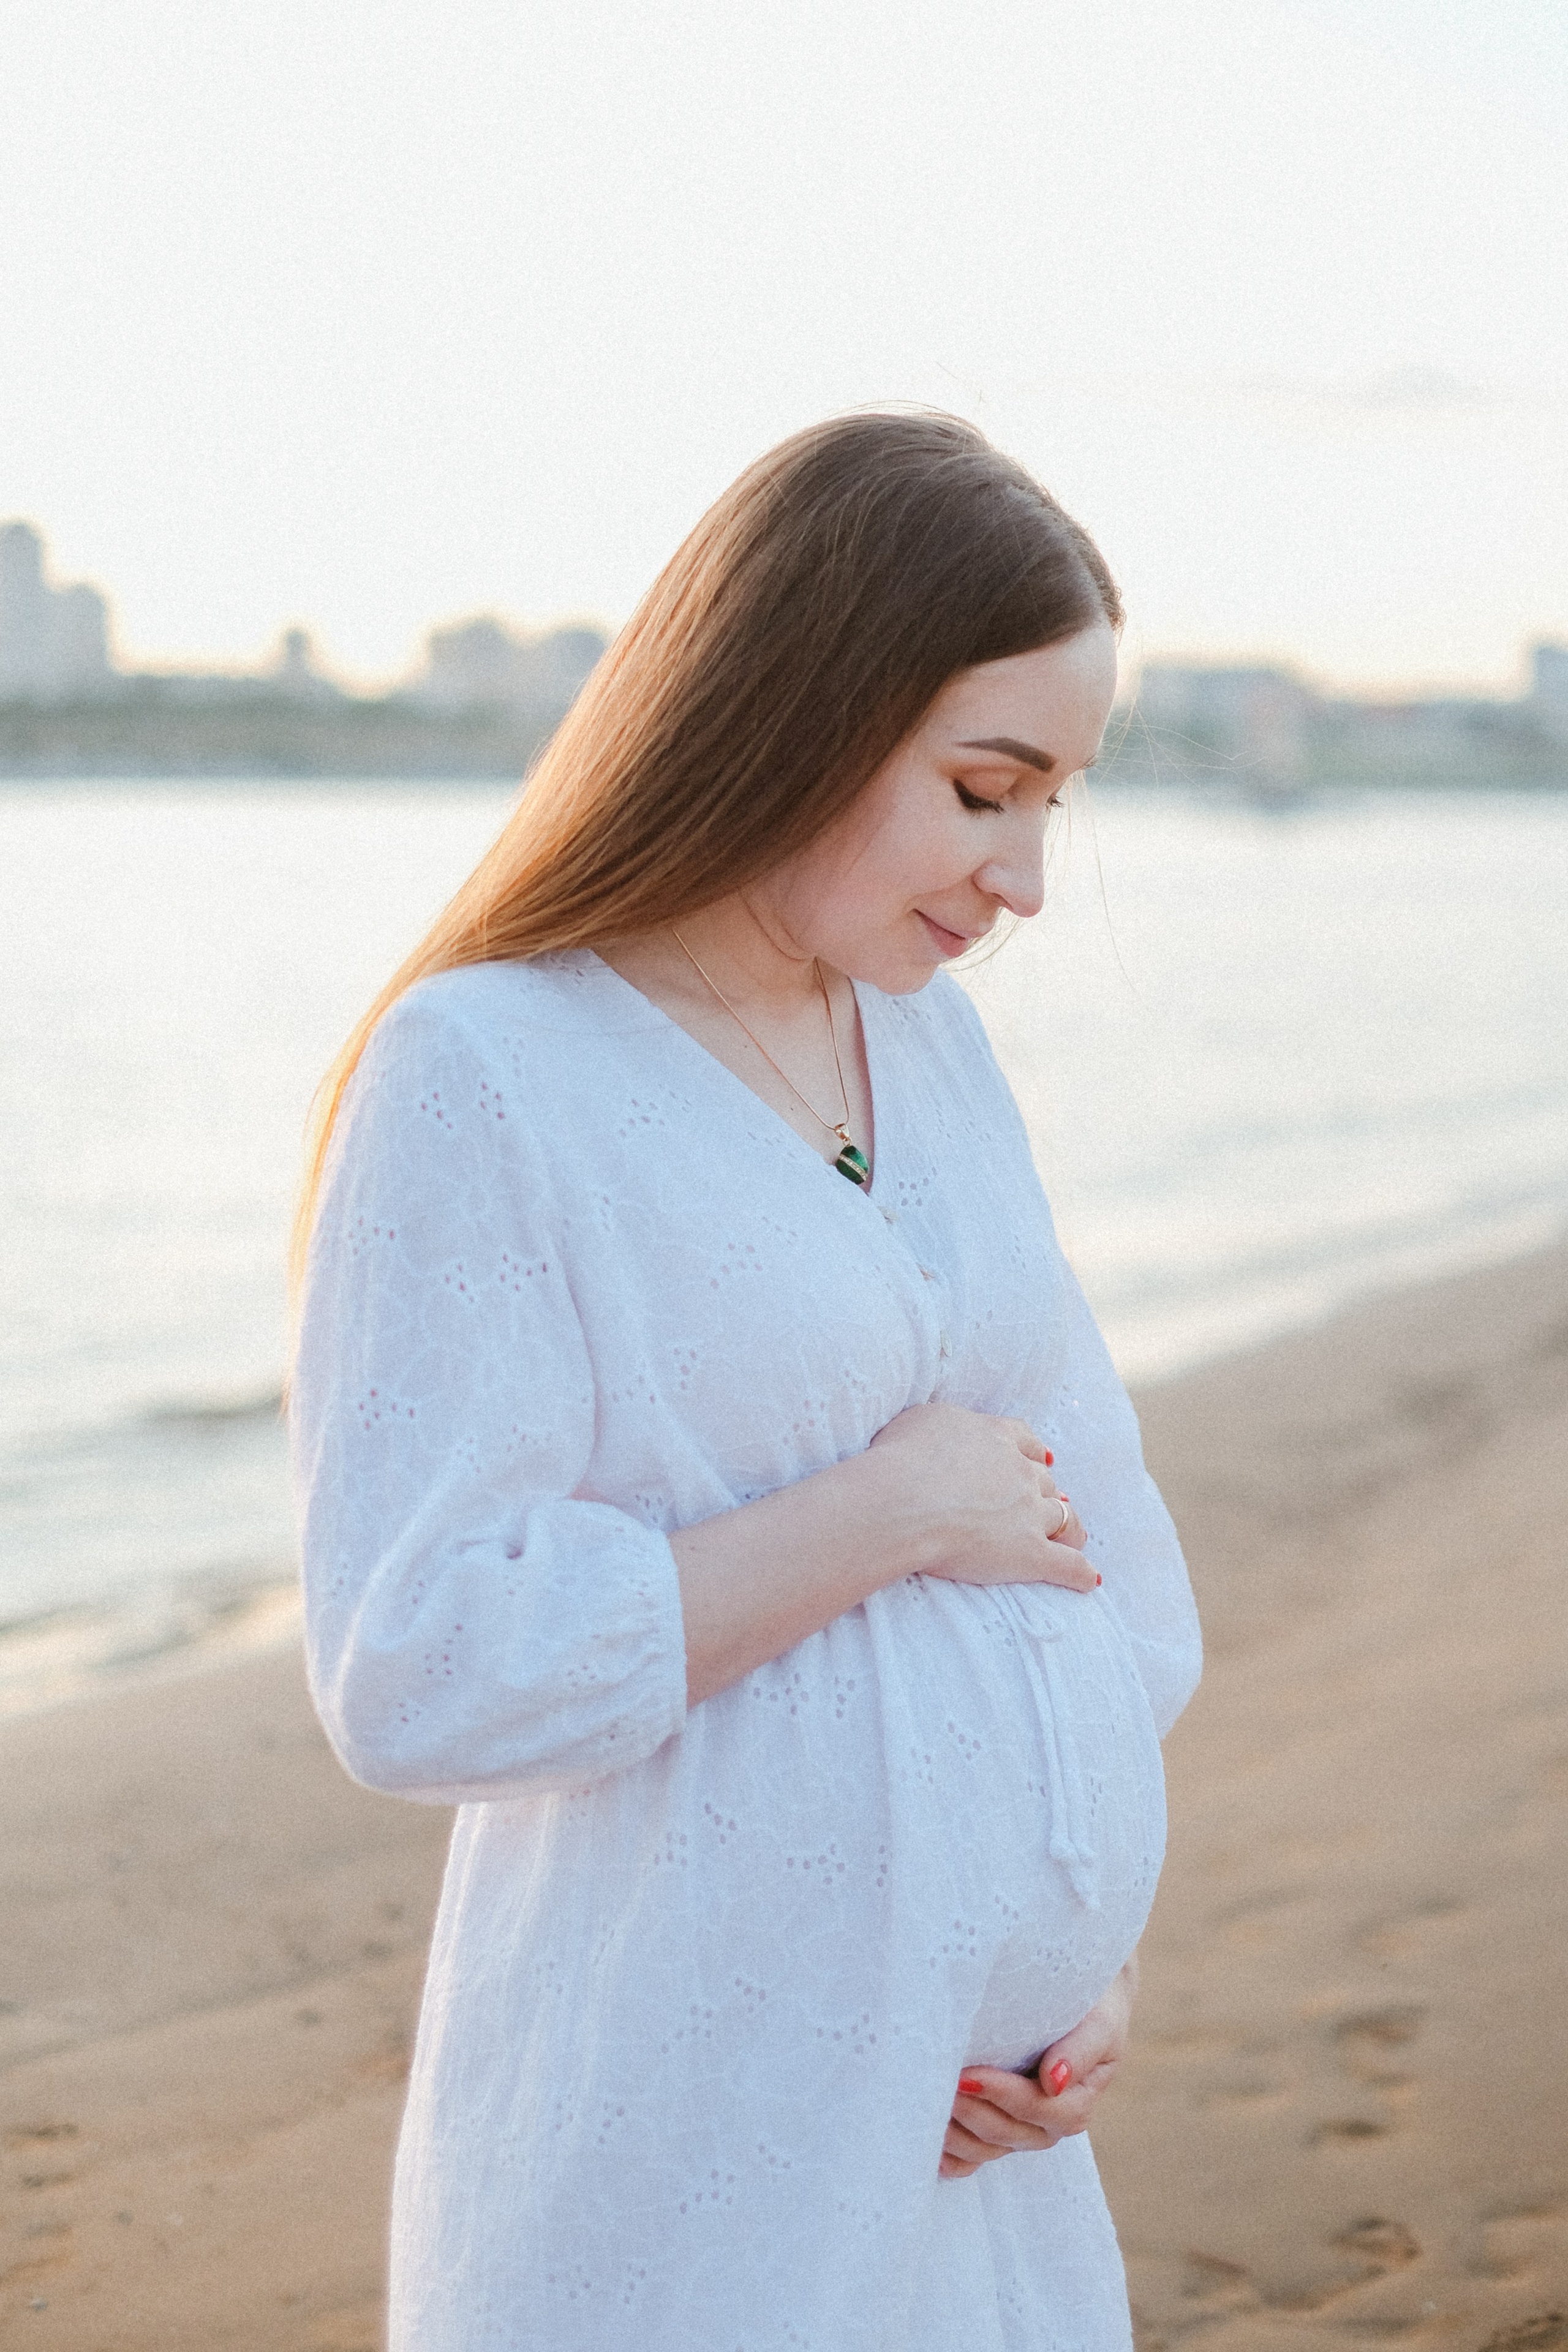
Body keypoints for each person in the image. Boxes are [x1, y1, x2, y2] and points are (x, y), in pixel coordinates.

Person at [290, 410, 1202, 2351]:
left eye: (1057, 802)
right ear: (800, 710)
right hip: (689, 2123)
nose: (1026, 875)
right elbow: (420, 1661)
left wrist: (1071, 1971)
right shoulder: (491, 1074)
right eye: (984, 788)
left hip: (985, 2152)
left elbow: (1108, 1539)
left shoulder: (928, 1054)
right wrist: (885, 1517)